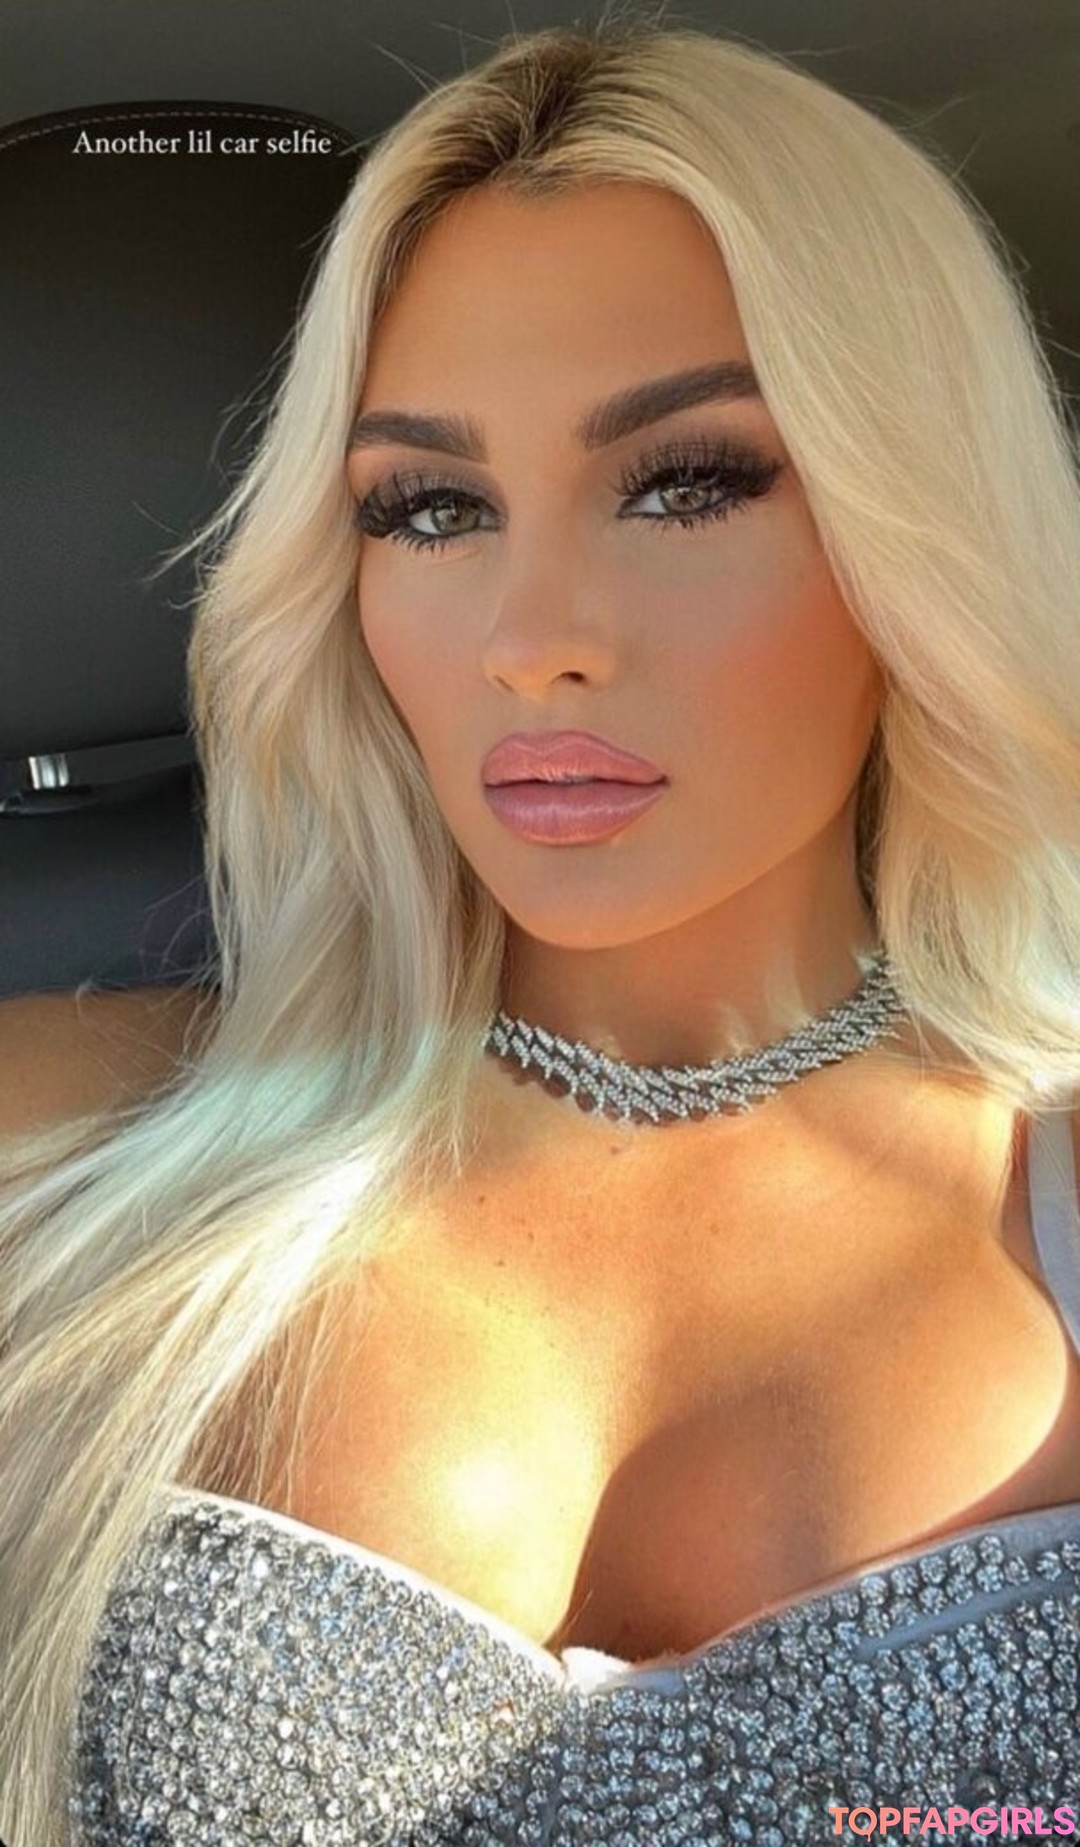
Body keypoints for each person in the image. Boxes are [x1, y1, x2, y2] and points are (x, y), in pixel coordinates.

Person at [2, 14, 1079, 1846]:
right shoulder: (50, 1151)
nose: (532, 639)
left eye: (686, 483)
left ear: (920, 534)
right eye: (432, 508)